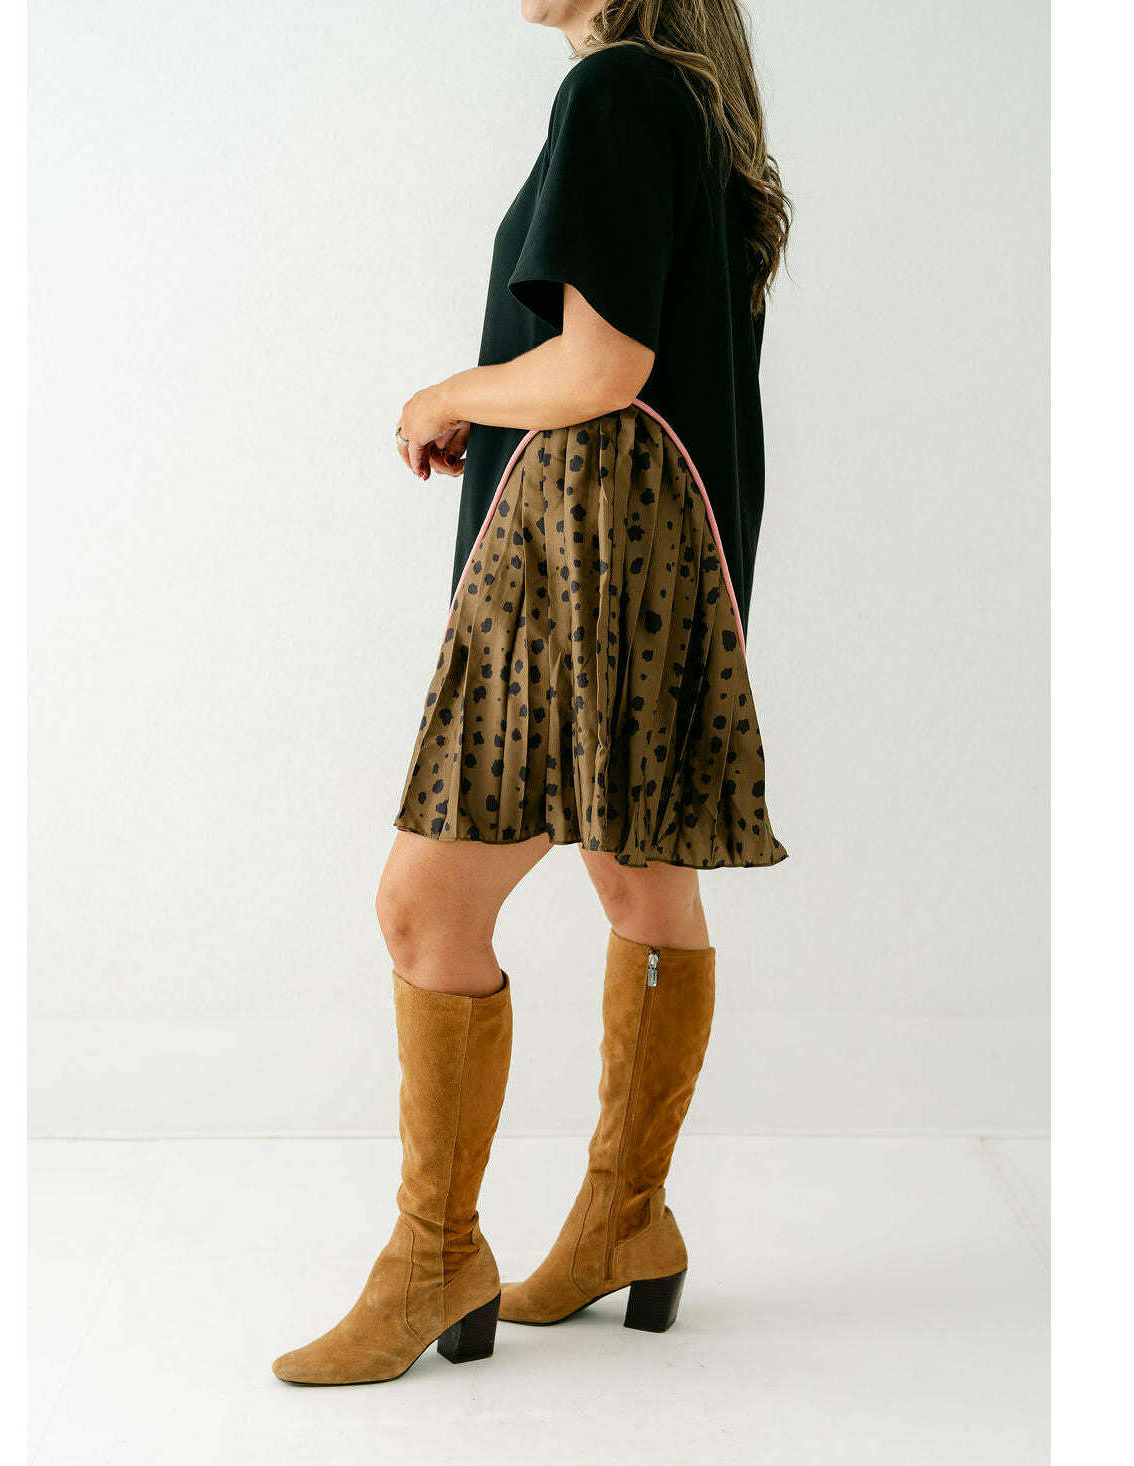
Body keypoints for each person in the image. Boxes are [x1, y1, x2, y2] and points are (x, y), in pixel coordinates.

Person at [273, 0, 791, 1386]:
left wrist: (449, 393)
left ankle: (435, 1254)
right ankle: (627, 1218)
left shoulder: (616, 90)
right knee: (637, 878)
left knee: (423, 903)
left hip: (584, 549)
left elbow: (602, 367)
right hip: (659, 559)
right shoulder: (689, 101)